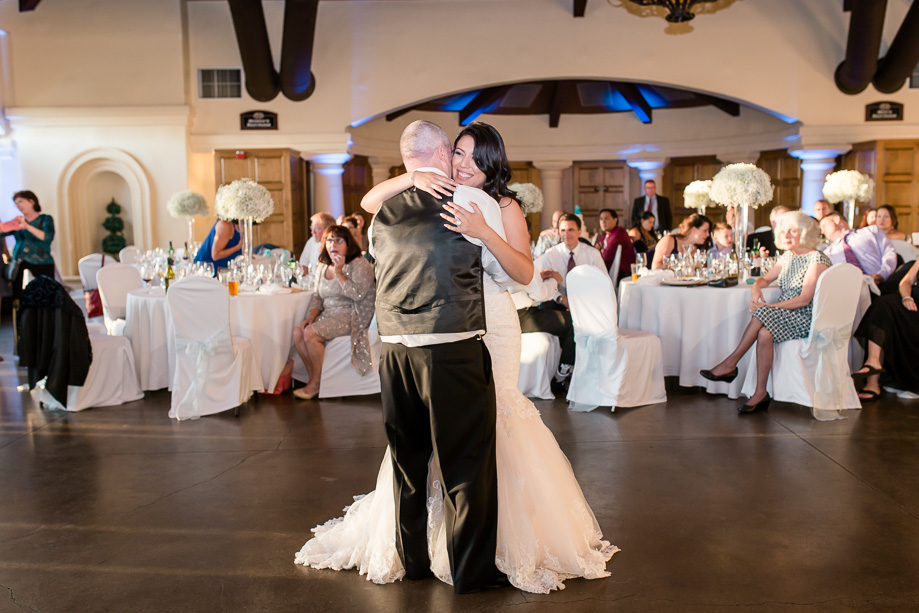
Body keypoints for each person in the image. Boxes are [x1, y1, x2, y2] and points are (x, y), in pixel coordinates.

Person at [295, 121, 616, 593]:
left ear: (489, 166)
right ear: (441, 156)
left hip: (490, 325)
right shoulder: (429, 194)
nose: (463, 165)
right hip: (451, 331)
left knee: (487, 433)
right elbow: (369, 202)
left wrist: (484, 231)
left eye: (471, 158)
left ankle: (500, 539)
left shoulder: (496, 205)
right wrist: (416, 177)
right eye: (458, 155)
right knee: (444, 448)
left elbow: (524, 273)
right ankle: (448, 545)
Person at [700, 212, 831, 413]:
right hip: (785, 315)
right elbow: (763, 279)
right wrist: (756, 288)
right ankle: (760, 393)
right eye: (783, 231)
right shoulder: (788, 256)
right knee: (763, 332)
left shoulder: (816, 259)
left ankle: (730, 363)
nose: (786, 235)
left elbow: (804, 300)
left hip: (806, 318)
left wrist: (767, 308)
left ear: (804, 233)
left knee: (762, 314)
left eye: (792, 231)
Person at [291, 225, 375, 401]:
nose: (333, 244)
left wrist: (339, 272)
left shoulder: (359, 264)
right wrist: (311, 317)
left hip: (352, 314)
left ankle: (315, 384)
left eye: (338, 240)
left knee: (310, 334)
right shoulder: (322, 265)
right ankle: (317, 378)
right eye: (329, 240)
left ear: (347, 244)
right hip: (328, 314)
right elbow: (317, 297)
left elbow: (357, 294)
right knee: (299, 332)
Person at [529, 212, 606, 390]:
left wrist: (579, 303)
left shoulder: (592, 255)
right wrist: (562, 299)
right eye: (563, 230)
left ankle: (566, 370)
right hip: (557, 300)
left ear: (580, 232)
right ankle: (563, 369)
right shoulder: (551, 254)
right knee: (546, 307)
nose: (566, 234)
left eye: (571, 230)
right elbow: (545, 286)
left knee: (581, 320)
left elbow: (603, 283)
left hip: (585, 301)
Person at [852, 258, 919, 401]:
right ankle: (873, 368)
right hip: (912, 304)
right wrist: (907, 297)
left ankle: (873, 375)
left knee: (887, 309)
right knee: (884, 304)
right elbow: (905, 281)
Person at [1, 191, 56, 303]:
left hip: (42, 261)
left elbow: (47, 237)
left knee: (47, 293)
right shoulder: (17, 222)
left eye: (21, 202)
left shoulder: (45, 219)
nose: (18, 206)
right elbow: (2, 232)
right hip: (19, 261)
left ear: (31, 201)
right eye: (16, 203)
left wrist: (26, 226)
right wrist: (9, 225)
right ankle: (20, 317)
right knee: (17, 295)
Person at [820, 212, 896, 286]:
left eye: (824, 226)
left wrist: (882, 274)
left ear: (836, 220)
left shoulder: (870, 231)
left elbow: (889, 252)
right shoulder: (828, 252)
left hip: (883, 286)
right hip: (850, 291)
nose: (822, 232)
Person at [594, 208, 635, 280]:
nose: (603, 222)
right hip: (607, 272)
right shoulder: (605, 235)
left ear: (615, 220)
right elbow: (594, 253)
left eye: (606, 218)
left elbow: (607, 256)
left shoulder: (619, 232)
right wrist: (600, 251)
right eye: (601, 219)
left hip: (622, 274)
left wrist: (601, 251)